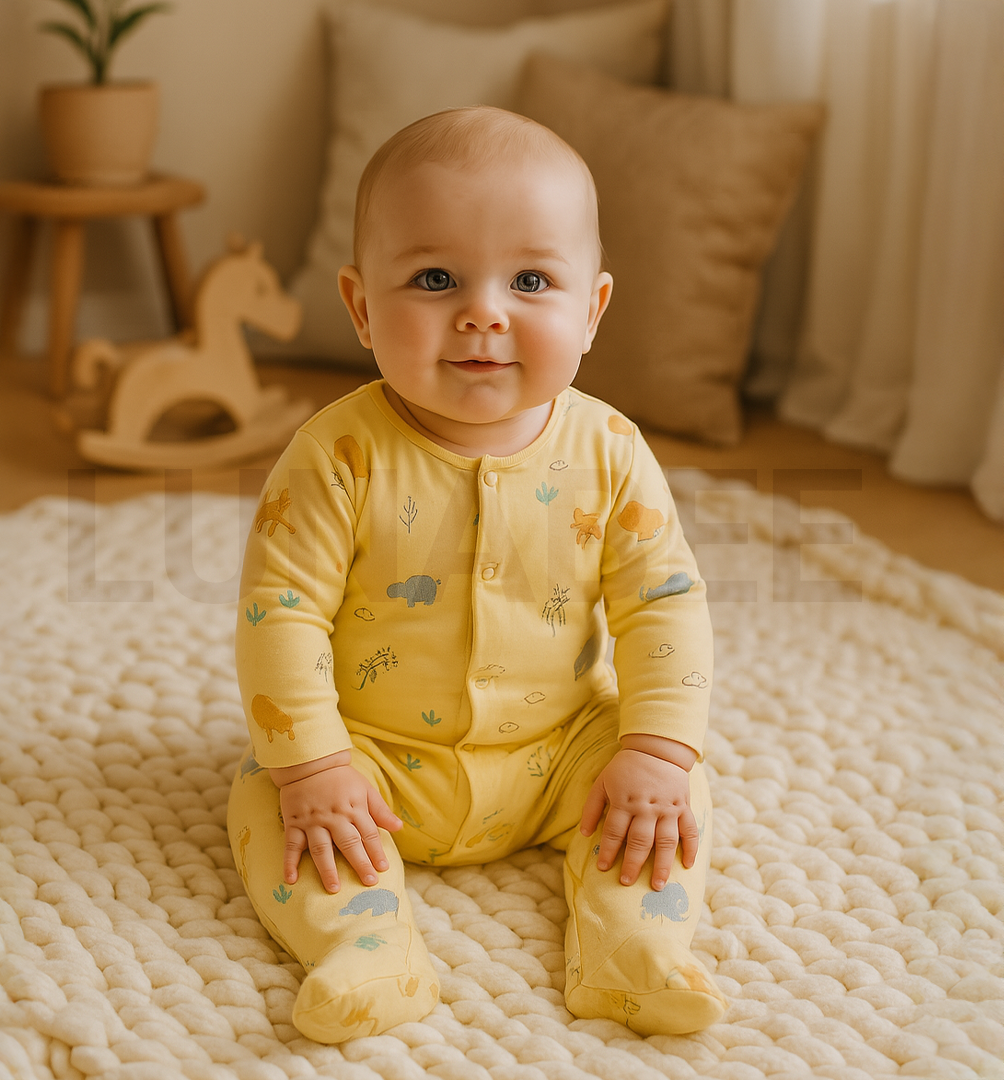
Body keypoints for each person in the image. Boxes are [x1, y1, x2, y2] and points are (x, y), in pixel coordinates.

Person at [228, 105, 727, 1044]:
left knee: (672, 785)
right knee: (267, 799)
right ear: (363, 307)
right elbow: (279, 612)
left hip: (558, 757)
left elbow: (664, 602)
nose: (483, 311)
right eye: (435, 278)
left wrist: (657, 750)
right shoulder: (335, 454)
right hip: (373, 763)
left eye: (531, 280)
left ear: (593, 310)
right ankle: (364, 952)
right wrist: (319, 765)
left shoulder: (611, 450)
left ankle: (635, 950)